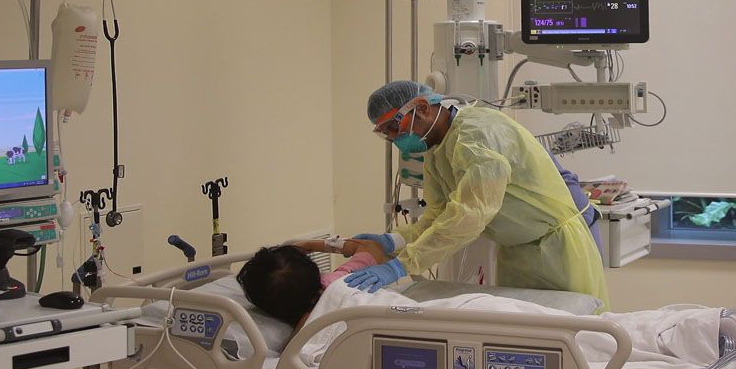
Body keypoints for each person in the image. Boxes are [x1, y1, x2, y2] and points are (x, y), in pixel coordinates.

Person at [345, 80, 609, 310]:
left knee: (575, 338)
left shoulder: (479, 135)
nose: (393, 138)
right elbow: (438, 215)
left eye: (394, 127)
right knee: (526, 340)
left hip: (560, 248)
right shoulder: (435, 150)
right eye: (385, 133)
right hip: (516, 252)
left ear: (423, 108)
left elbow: (469, 216)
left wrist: (401, 265)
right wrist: (393, 241)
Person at [235, 238, 388, 331]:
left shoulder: (305, 329)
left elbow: (286, 362)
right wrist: (311, 245)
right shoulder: (342, 279)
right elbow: (371, 247)